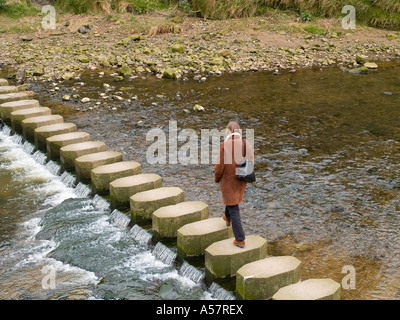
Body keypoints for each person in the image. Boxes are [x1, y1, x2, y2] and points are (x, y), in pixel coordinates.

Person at [214, 121, 254, 248]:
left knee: (234, 207)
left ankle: (240, 239)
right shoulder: (245, 143)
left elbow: (219, 167)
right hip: (241, 179)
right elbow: (251, 160)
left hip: (228, 181)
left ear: (228, 131)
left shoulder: (224, 145)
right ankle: (227, 217)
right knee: (232, 201)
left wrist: (217, 178)